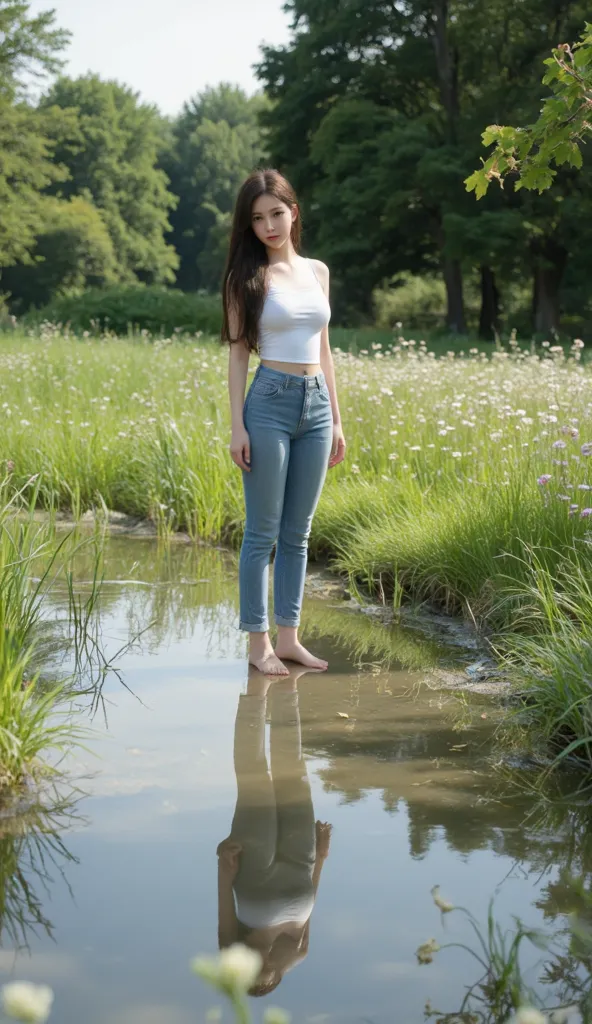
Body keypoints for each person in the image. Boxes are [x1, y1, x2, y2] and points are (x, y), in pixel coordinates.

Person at [222, 168, 346, 676]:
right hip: (268, 403)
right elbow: (237, 356)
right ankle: (258, 646)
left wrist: (337, 419)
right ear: (249, 226)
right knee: (262, 533)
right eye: (257, 218)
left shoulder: (318, 272)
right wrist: (237, 427)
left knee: (299, 532)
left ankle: (289, 639)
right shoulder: (245, 280)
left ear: (293, 212)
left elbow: (325, 347)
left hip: (315, 405)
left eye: (276, 212)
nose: (269, 225)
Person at [216, 668, 332, 997]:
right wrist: (322, 859)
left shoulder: (231, 947)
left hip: (254, 868)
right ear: (275, 980)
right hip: (302, 860)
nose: (260, 973)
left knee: (255, 775)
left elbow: (223, 914)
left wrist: (223, 869)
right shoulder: (297, 952)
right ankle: (288, 687)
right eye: (265, 979)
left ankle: (256, 690)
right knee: (294, 768)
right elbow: (313, 906)